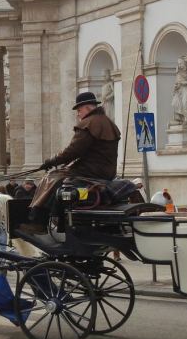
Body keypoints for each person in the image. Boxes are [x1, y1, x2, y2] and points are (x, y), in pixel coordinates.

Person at [21, 91, 120, 233]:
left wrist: (52, 161)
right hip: (107, 172)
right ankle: (59, 220)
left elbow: (72, 151)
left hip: (90, 170)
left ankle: (38, 221)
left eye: (79, 110)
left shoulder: (89, 123)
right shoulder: (108, 123)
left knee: (52, 177)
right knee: (59, 176)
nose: (78, 114)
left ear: (87, 108)